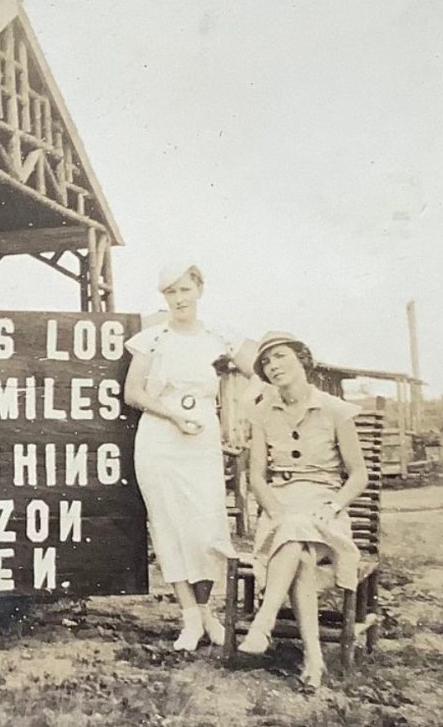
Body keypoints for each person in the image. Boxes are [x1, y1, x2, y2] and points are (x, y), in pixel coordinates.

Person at [124, 261, 253, 651]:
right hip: (160, 436)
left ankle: (208, 610)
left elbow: (259, 370)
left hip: (202, 437)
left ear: (199, 288)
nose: (179, 298)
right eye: (171, 292)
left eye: (185, 289)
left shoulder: (218, 335)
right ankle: (190, 619)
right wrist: (174, 416)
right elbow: (134, 393)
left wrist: (242, 410)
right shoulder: (153, 339)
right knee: (169, 525)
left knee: (207, 525)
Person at [238, 332, 368, 690]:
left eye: (280, 357)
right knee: (302, 554)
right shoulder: (262, 412)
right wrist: (276, 510)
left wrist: (335, 505)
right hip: (280, 506)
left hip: (325, 509)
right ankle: (314, 657)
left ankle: (263, 625)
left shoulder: (335, 410)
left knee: (299, 535)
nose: (273, 366)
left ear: (302, 359)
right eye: (266, 362)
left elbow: (359, 475)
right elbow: (257, 478)